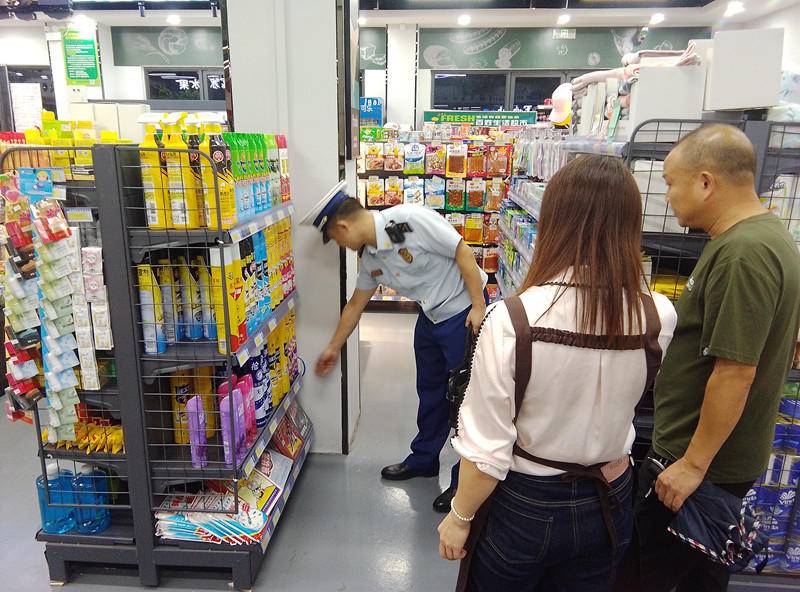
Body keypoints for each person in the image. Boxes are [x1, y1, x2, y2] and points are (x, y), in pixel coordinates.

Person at [437, 155, 677, 592]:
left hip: (527, 501)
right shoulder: (658, 315)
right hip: (611, 496)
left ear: (554, 222)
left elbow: (488, 447)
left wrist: (459, 516)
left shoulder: (512, 318)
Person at [629, 124, 800, 592]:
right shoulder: (764, 237)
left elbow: (735, 372)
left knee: (648, 576)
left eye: (670, 182)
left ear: (705, 182)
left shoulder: (743, 253)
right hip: (715, 463)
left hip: (697, 468)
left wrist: (692, 465)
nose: (667, 196)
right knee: (699, 579)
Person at [301, 182, 488, 511]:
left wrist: (478, 305)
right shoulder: (372, 257)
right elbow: (356, 304)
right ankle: (424, 459)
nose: (341, 246)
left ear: (343, 227)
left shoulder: (410, 220)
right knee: (430, 390)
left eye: (336, 239)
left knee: (465, 398)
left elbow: (462, 251)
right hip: (430, 316)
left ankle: (464, 482)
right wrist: (333, 347)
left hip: (462, 314)